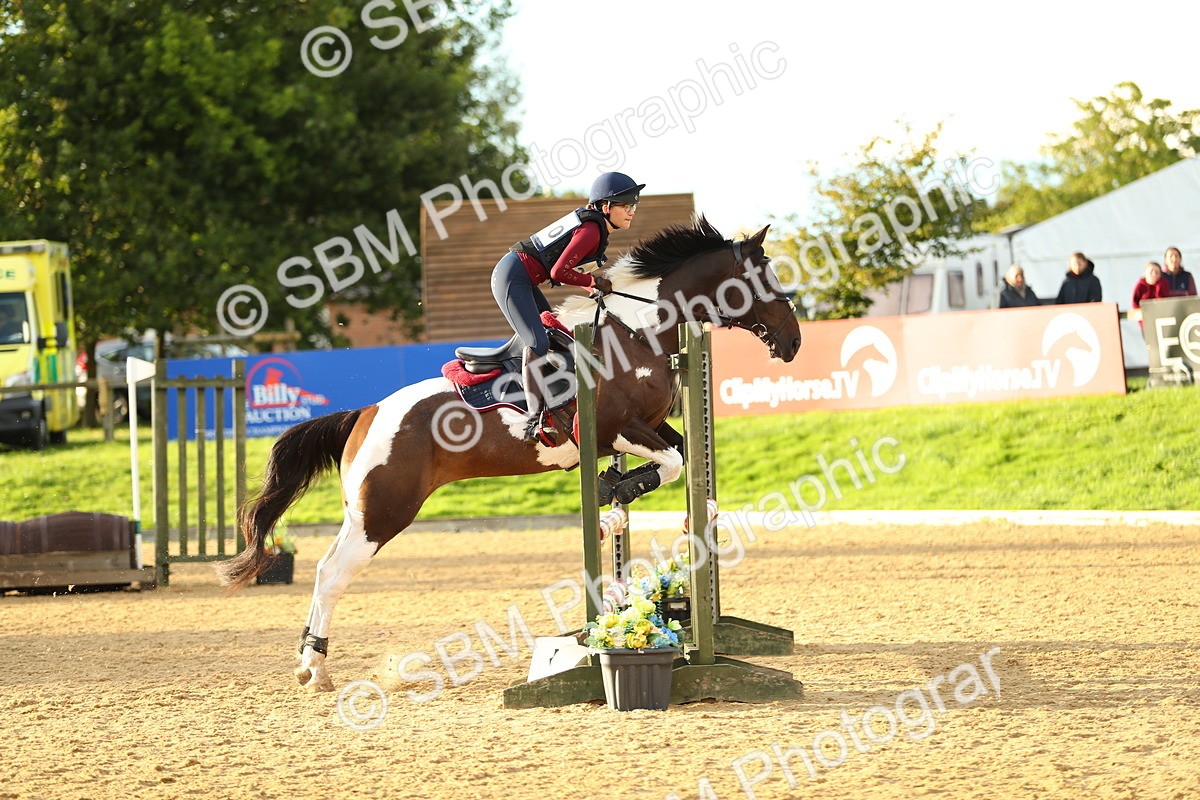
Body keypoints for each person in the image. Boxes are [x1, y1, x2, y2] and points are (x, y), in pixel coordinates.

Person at [496, 171, 643, 441]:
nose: (632, 212)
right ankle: (532, 420)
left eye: (634, 206)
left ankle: (554, 403)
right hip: (512, 278)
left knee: (556, 335)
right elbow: (558, 272)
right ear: (605, 207)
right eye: (626, 206)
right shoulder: (590, 230)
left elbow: (563, 269)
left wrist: (591, 285)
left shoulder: (596, 228)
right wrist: (594, 282)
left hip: (524, 279)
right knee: (537, 343)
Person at [1131, 261, 1172, 329]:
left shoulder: (1163, 283)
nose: (1154, 274)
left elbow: (1165, 301)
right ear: (1145, 273)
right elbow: (1135, 303)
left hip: (1162, 319)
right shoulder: (1140, 285)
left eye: (1157, 272)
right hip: (1146, 321)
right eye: (1151, 271)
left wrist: (1159, 286)